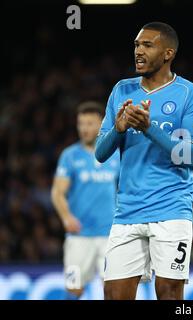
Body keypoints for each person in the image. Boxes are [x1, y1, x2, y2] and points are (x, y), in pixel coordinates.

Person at [95, 22, 193, 300]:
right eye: (136, 45)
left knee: (169, 294)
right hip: (127, 213)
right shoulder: (122, 90)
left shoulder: (190, 94)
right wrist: (118, 129)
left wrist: (150, 128)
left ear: (168, 53)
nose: (139, 51)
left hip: (171, 210)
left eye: (148, 45)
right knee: (113, 295)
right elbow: (100, 153)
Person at [51, 101, 120, 300]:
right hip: (79, 236)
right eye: (81, 124)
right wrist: (66, 217)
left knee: (113, 290)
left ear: (101, 124)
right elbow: (57, 192)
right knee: (73, 289)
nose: (84, 129)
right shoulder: (70, 156)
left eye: (90, 123)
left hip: (111, 236)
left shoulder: (116, 153)